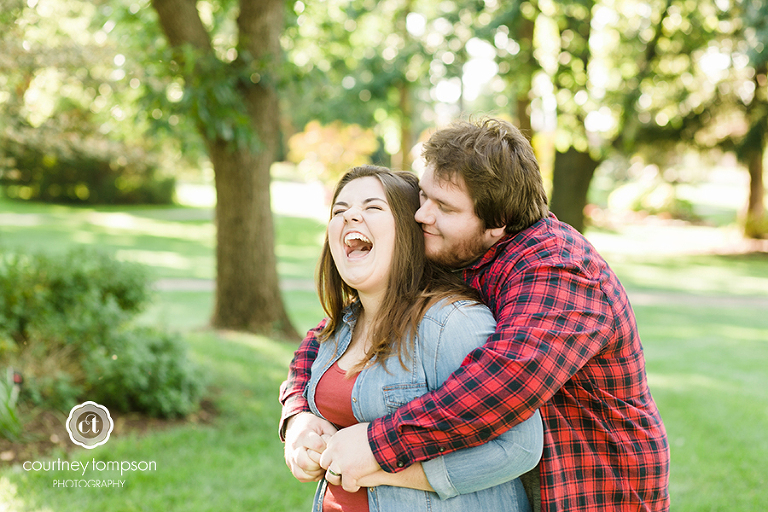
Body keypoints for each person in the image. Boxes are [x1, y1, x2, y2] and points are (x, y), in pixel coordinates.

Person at [281, 118, 671, 512]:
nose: (421, 216)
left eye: (444, 207)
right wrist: (297, 412)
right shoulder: (461, 248)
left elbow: (501, 385)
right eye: (425, 197)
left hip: (599, 493)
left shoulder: (558, 270)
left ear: (496, 222)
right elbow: (332, 336)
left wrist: (377, 446)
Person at [291, 165, 543, 511]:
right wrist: (299, 426)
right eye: (340, 210)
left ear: (411, 231)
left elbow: (520, 447)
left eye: (372, 207)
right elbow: (304, 384)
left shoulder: (452, 323)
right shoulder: (343, 324)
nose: (351, 216)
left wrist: (383, 470)